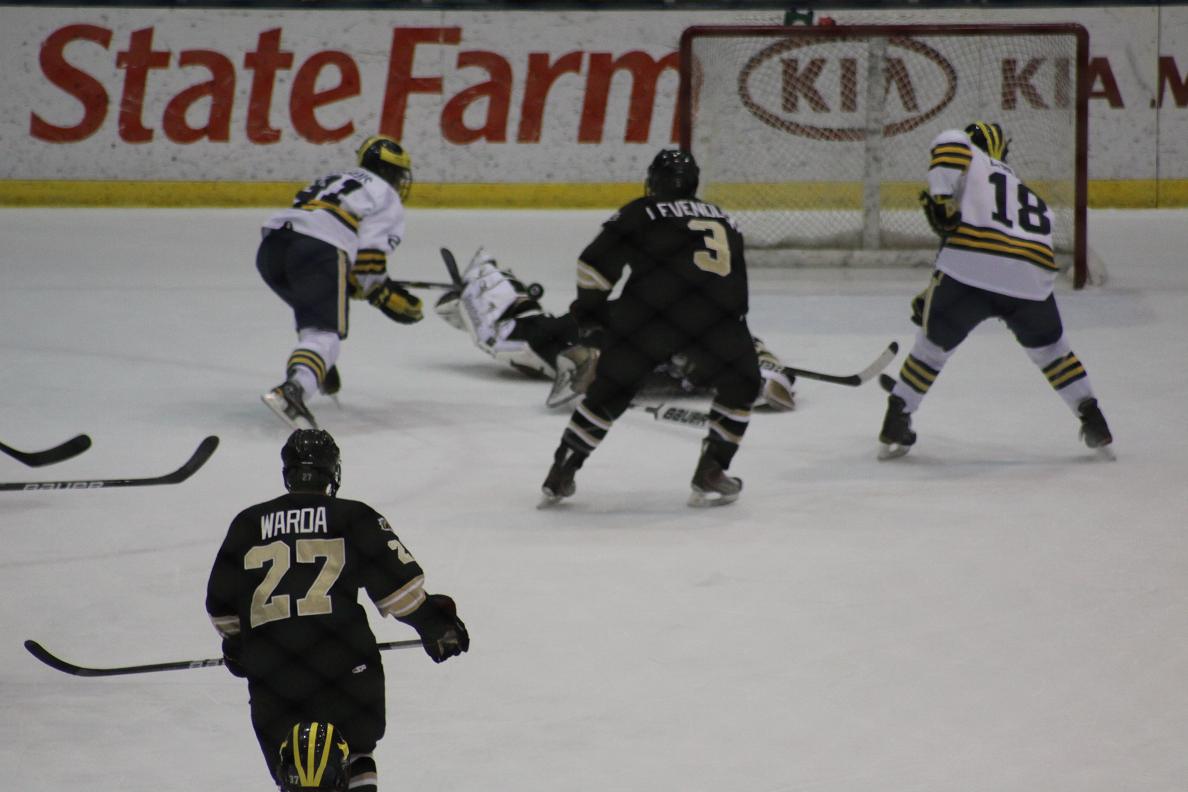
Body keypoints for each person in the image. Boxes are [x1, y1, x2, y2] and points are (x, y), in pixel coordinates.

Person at [205, 429, 468, 792]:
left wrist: (239, 645)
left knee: (297, 769)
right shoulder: (352, 516)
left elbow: (222, 608)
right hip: (343, 662)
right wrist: (433, 623)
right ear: (333, 473)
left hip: (274, 671)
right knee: (356, 750)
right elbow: (398, 589)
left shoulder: (247, 524)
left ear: (288, 472)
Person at [539, 149, 763, 507]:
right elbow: (735, 283)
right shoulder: (724, 219)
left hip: (648, 317)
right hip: (716, 321)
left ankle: (562, 469)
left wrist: (592, 316)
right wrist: (734, 336)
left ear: (655, 181)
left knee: (611, 390)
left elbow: (593, 265)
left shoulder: (640, 212)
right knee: (743, 383)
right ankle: (712, 470)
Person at [881, 121, 1113, 459]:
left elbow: (949, 146)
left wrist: (941, 196)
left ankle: (898, 414)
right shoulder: (1028, 195)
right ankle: (1093, 418)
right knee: (1053, 353)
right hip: (1031, 279)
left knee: (931, 349)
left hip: (969, 271)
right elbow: (1006, 248)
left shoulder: (968, 153)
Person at [433, 247, 795, 411]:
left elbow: (772, 378)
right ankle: (489, 289)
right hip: (610, 330)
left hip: (615, 334)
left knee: (529, 342)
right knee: (526, 339)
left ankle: (494, 292)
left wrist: (766, 371)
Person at [258, 134, 425, 430]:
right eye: (398, 175)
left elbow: (350, 262)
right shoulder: (385, 194)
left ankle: (314, 367)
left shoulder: (334, 177)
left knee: (315, 323)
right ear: (391, 172)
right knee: (326, 334)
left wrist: (351, 279)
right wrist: (383, 294)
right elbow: (369, 262)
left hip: (272, 249)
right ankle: (292, 391)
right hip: (319, 249)